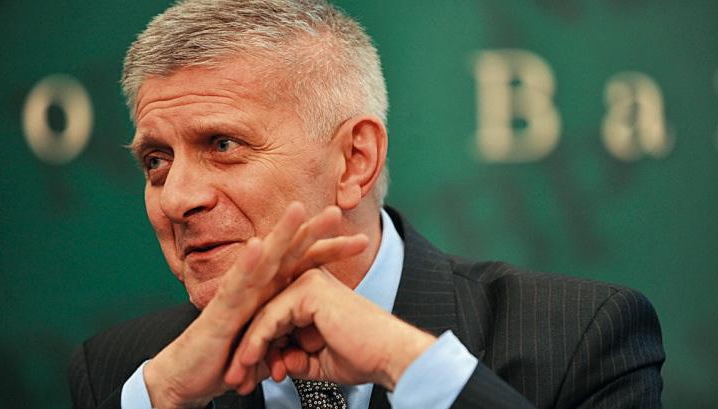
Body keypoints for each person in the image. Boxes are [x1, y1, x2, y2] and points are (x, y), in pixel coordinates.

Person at [68, 1, 665, 408]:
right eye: (156, 161)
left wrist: (405, 363)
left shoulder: (580, 337)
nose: (177, 199)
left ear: (355, 161)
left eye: (223, 145)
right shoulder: (129, 375)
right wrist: (164, 399)